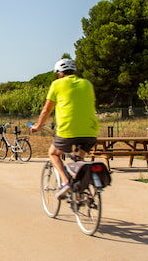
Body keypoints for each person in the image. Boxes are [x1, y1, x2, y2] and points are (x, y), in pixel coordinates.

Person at [30, 58, 99, 199]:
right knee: (78, 159)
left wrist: (38, 125)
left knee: (53, 153)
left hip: (68, 130)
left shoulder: (57, 84)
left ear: (59, 73)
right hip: (91, 131)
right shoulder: (87, 84)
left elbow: (46, 110)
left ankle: (66, 183)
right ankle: (79, 192)